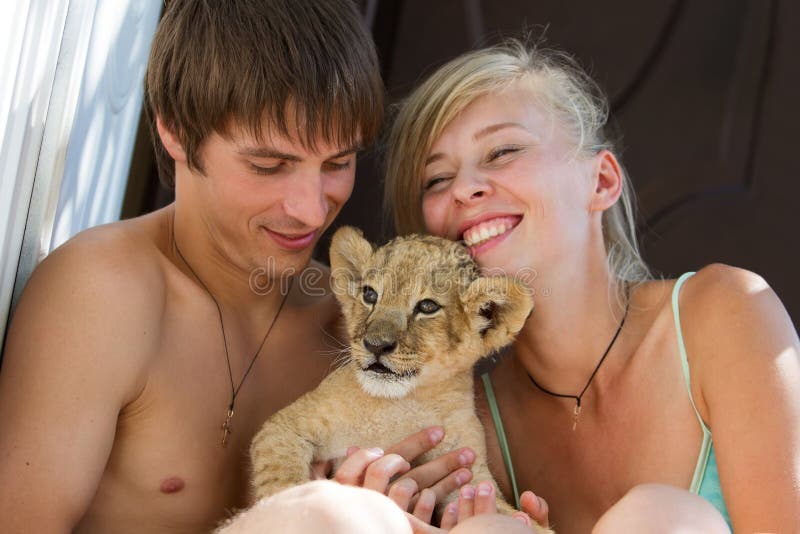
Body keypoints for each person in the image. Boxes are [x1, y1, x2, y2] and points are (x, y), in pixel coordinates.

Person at [0, 1, 480, 531]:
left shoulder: (350, 327)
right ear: (176, 131)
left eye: (338, 164)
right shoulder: (102, 293)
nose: (311, 209)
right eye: (269, 166)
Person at [384, 39, 800, 533]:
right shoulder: (470, 430)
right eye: (436, 179)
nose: (462, 189)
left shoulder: (725, 314)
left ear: (601, 182)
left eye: (503, 151)